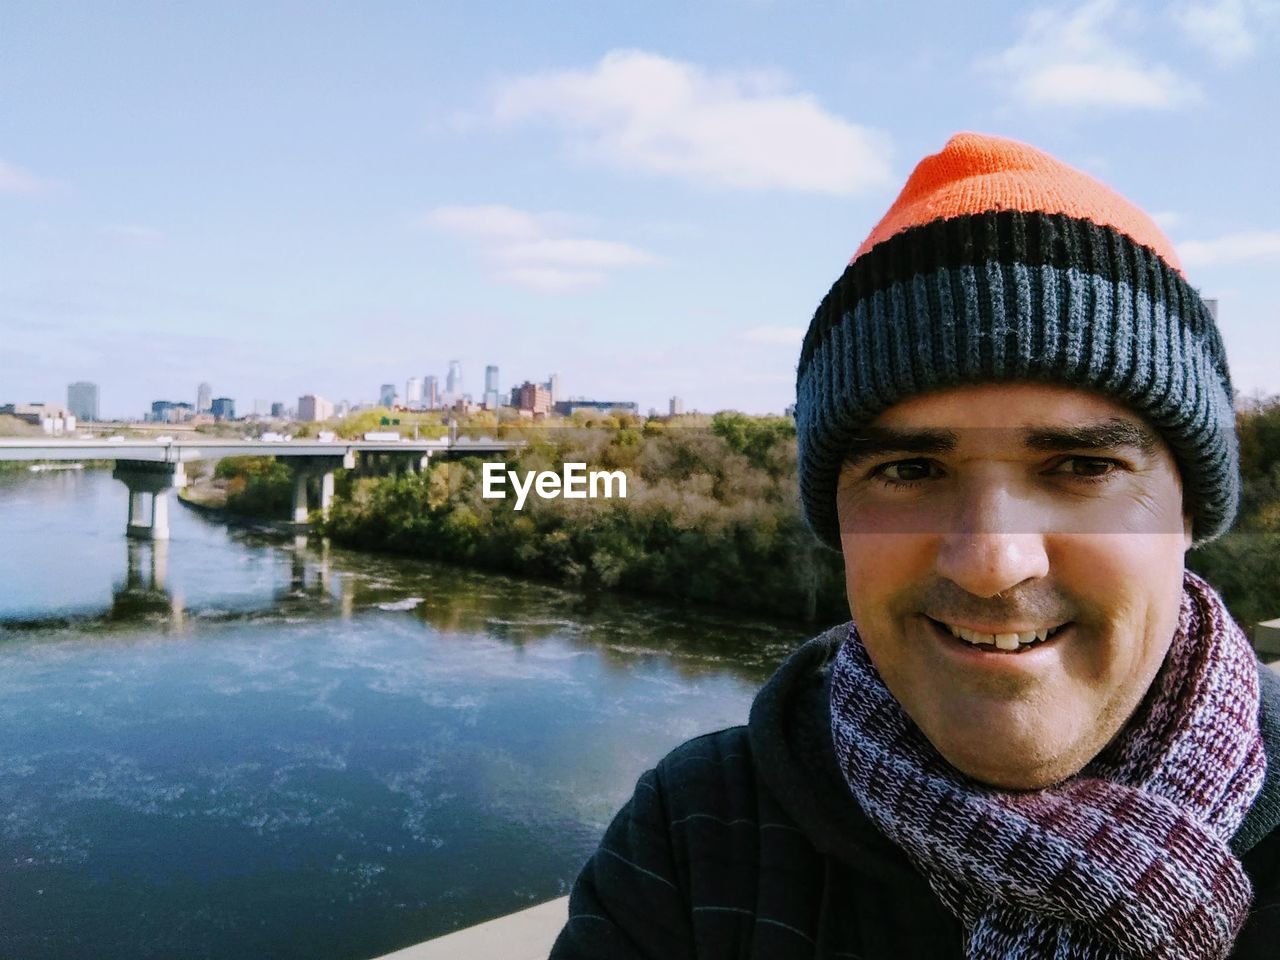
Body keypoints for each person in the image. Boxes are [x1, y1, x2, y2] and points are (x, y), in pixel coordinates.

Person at [548, 133, 1280, 959]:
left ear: (1190, 511)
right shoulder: (697, 833)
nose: (993, 562)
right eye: (909, 469)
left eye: (1082, 466)